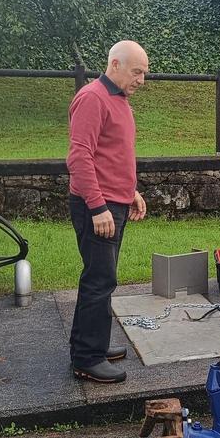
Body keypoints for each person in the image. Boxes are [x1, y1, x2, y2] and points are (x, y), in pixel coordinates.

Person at [66, 40, 149, 383]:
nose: (142, 80)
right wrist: (98, 207)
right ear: (114, 65)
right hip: (96, 207)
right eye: (136, 72)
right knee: (100, 279)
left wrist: (130, 192)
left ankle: (93, 344)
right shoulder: (92, 98)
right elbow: (79, 157)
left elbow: (112, 154)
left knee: (103, 277)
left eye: (144, 73)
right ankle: (87, 358)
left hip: (115, 202)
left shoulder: (118, 100)